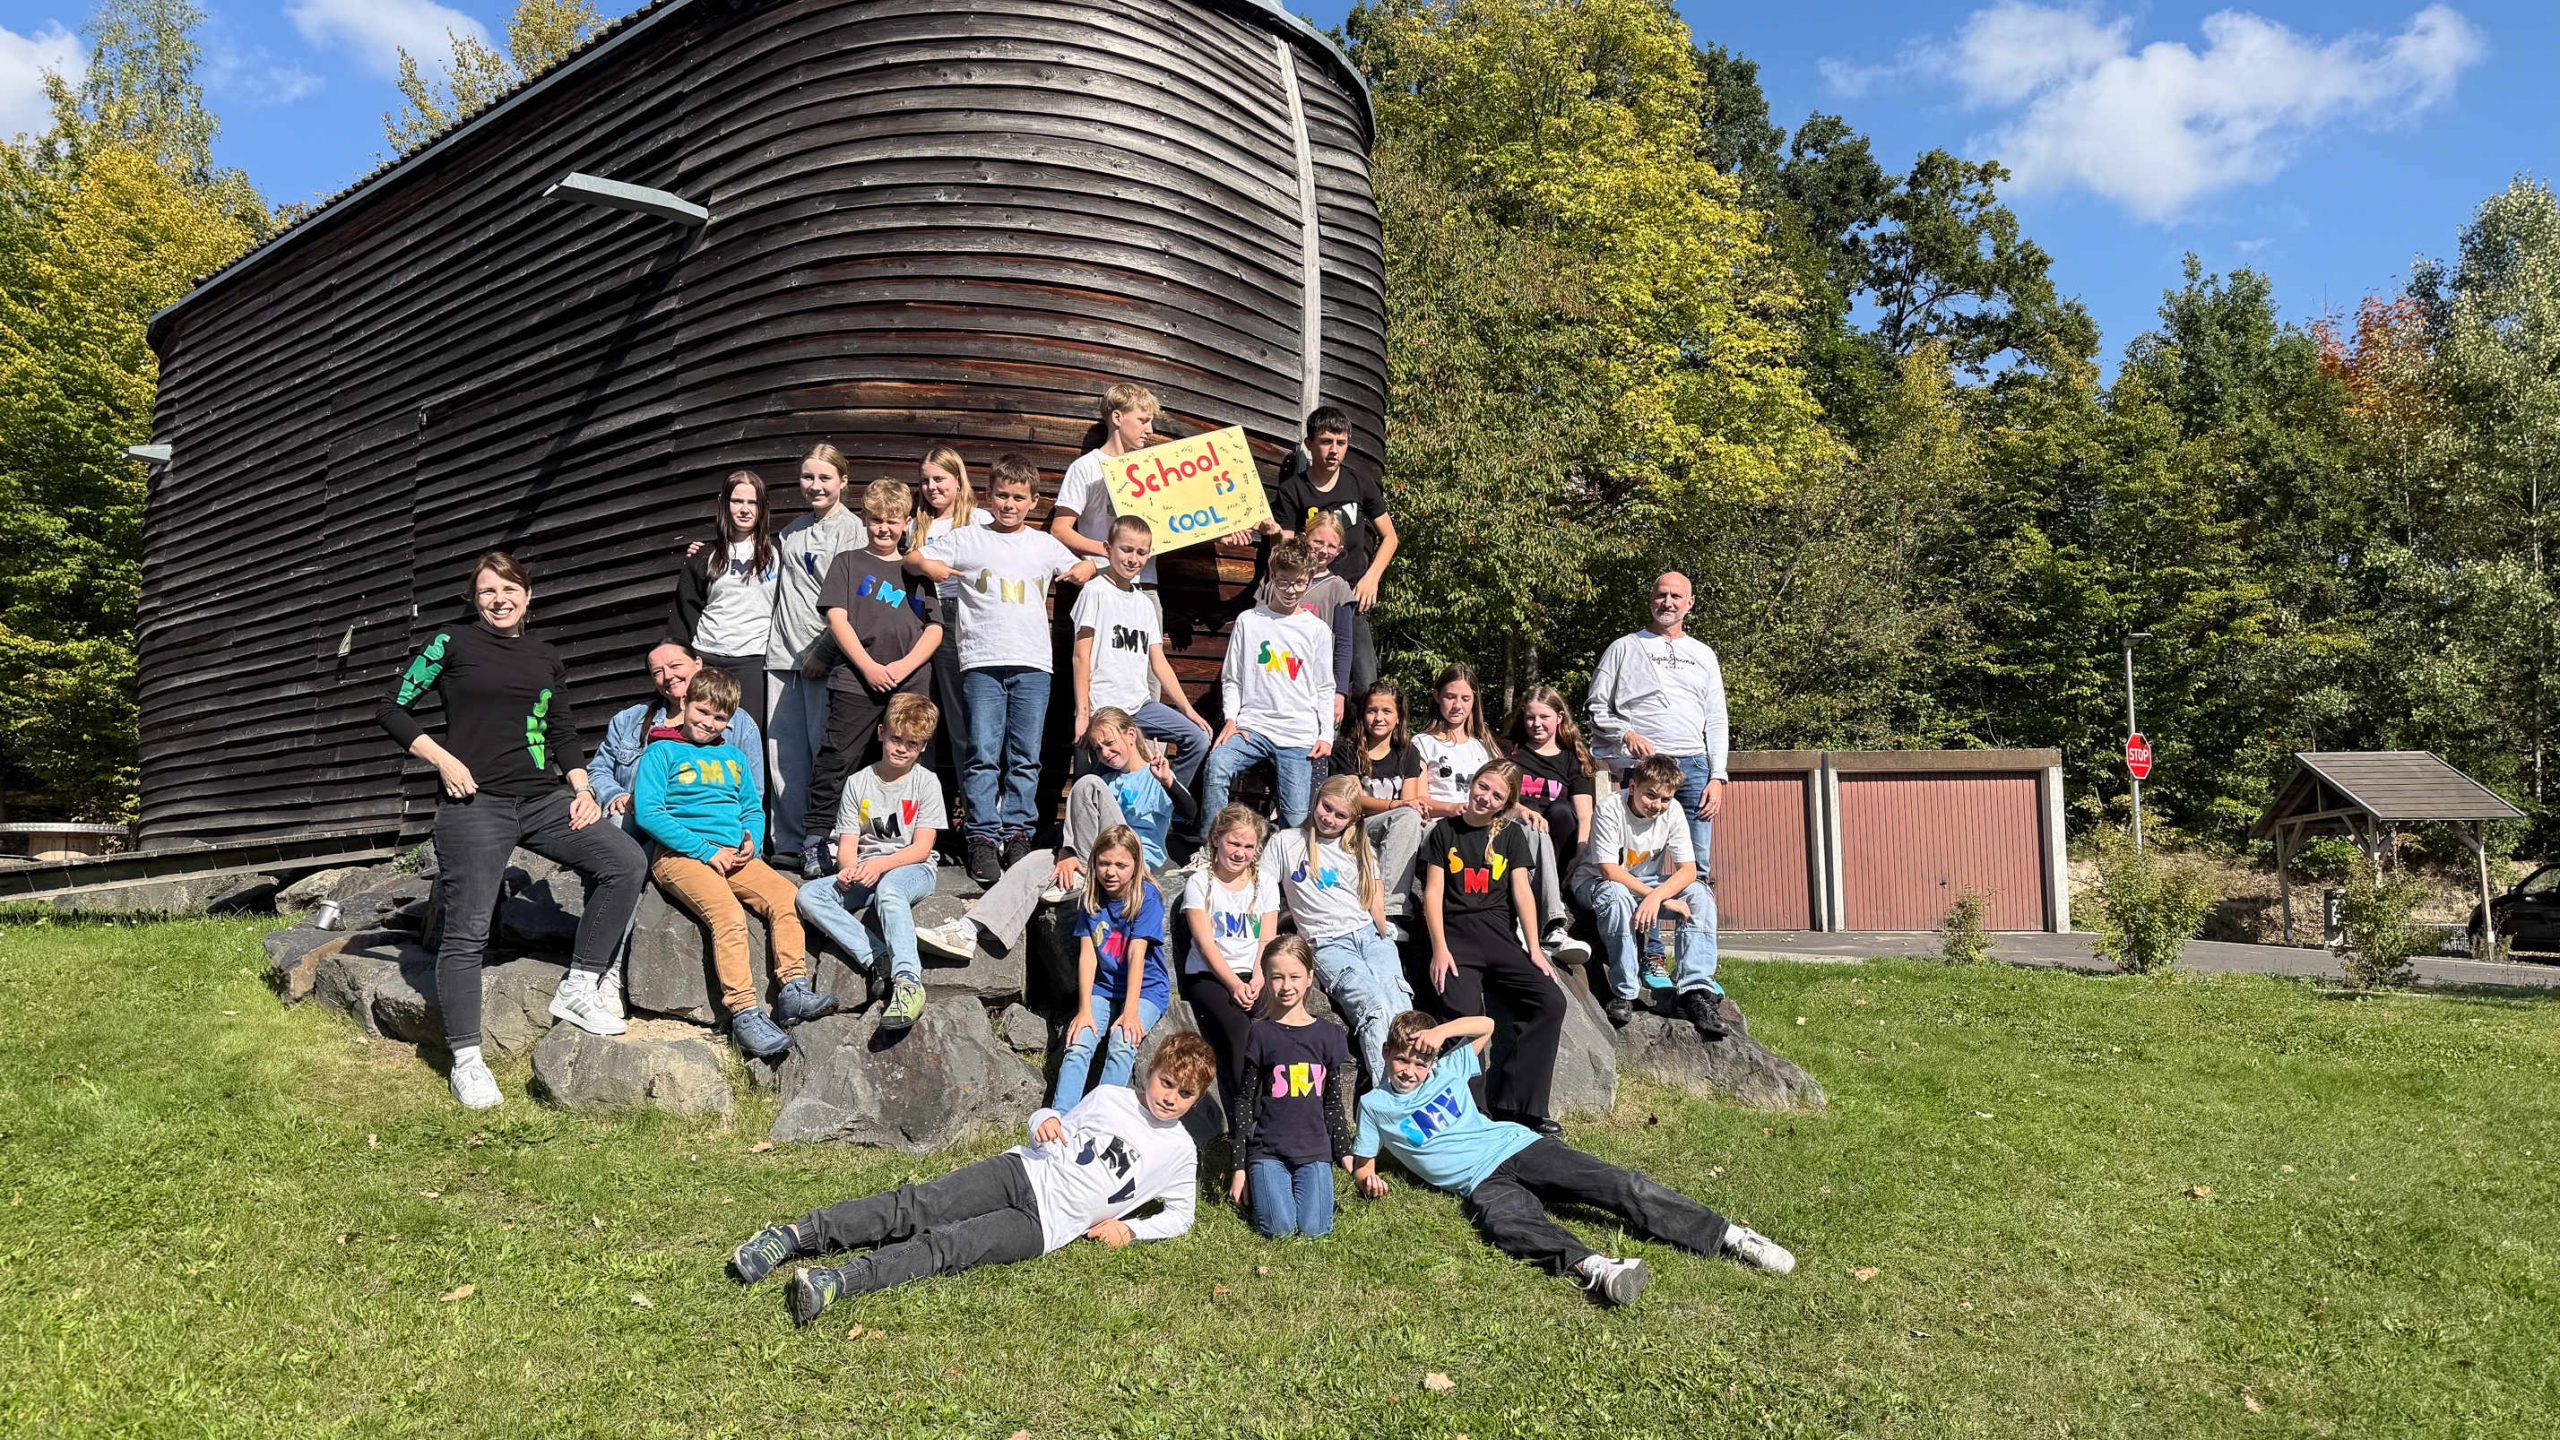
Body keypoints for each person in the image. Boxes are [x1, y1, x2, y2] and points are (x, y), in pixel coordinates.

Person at [378, 552, 646, 1110]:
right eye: (486, 592)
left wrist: (581, 789)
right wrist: (444, 761)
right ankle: (467, 1059)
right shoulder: (450, 644)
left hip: (541, 798)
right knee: (467, 930)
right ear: (474, 601)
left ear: (528, 595)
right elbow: (393, 709)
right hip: (474, 802)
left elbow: (563, 729)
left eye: (509, 589)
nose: (499, 599)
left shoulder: (545, 657)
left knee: (623, 861)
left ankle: (580, 986)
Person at [729, 1032, 1216, 1328]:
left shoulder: (1179, 1154)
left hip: (1045, 1225)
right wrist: (1040, 1121)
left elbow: (1182, 1216)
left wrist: (1131, 1229)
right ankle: (793, 1237)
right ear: (1149, 1072)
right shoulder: (1111, 1097)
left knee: (949, 1248)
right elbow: (1056, 1121)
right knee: (916, 1206)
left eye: (1185, 1092)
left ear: (1198, 1097)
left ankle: (838, 1282)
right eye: (1166, 1082)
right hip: (1021, 1170)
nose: (1171, 1096)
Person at [1352, 1013, 1794, 1306]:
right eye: (1402, 1059)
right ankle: (1598, 1269)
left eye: (1419, 1061)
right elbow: (1364, 1162)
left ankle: (1732, 1237)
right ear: (1387, 1054)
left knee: (1619, 1184)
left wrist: (1443, 1033)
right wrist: (1367, 1181)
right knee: (1506, 1225)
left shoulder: (1448, 1067)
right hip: (1480, 1182)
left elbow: (1486, 1025)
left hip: (1519, 1147)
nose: (1409, 1070)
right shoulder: (1375, 1105)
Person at [905, 455, 1099, 883]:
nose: (1009, 504)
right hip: (981, 662)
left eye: (1018, 497)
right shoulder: (969, 537)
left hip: (1032, 663)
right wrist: (928, 565)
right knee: (982, 755)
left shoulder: (1043, 544)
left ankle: (1017, 833)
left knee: (1025, 756)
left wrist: (1086, 565)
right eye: (1002, 496)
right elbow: (913, 557)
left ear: (1033, 501)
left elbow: (1082, 564)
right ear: (988, 496)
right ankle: (981, 837)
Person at [633, 667, 834, 1059]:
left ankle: (792, 988)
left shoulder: (733, 757)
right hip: (681, 856)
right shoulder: (662, 751)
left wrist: (750, 841)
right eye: (702, 712)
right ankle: (744, 1013)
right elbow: (650, 814)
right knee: (727, 915)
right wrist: (706, 852)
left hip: (735, 856)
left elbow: (751, 808)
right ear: (685, 703)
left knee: (786, 897)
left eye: (720, 718)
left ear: (731, 719)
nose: (708, 723)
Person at [914, 708, 1189, 963]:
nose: (1105, 752)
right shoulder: (1106, 780)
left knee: (1086, 784)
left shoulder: (1155, 776)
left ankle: (1080, 865)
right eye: (1098, 748)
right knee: (1035, 860)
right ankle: (968, 929)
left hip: (1132, 857)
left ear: (1130, 735)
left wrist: (1168, 782)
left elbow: (1189, 812)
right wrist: (1064, 854)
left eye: (1109, 742)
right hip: (1097, 854)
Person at [804, 479, 944, 877]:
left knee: (911, 759)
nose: (884, 529)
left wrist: (902, 668)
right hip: (855, 677)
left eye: (893, 521)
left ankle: (913, 844)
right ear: (865, 519)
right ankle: (817, 840)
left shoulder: (915, 570)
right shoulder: (848, 563)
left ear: (906, 522)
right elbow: (837, 617)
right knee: (838, 757)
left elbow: (935, 629)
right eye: (876, 520)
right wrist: (868, 666)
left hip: (911, 680)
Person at [1585, 571, 1730, 942]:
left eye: (1676, 596)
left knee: (1695, 870)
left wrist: (1718, 775)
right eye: (1661, 594)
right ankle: (1650, 956)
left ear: (1690, 603)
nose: (1668, 602)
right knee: (1636, 868)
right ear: (1651, 599)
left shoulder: (1703, 654)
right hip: (1643, 770)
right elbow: (1596, 707)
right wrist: (1625, 733)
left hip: (1695, 768)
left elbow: (1716, 718)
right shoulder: (1625, 647)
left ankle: (1695, 971)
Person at [1422, 759, 1565, 1133]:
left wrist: (1533, 948)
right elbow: (1433, 894)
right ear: (1473, 784)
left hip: (1500, 939)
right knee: (1465, 1019)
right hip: (1457, 943)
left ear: (1506, 803)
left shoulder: (1511, 835)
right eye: (1482, 787)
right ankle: (1474, 1111)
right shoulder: (1443, 832)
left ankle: (1521, 1105)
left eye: (1496, 795)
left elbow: (1522, 893)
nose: (1485, 797)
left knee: (1551, 1001)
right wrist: (1439, 948)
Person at [795, 693, 947, 1031]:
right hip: (868, 868)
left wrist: (880, 866)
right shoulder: (858, 782)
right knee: (809, 896)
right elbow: (848, 844)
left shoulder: (926, 782)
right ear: (881, 733)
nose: (902, 748)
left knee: (890, 890)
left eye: (913, 743)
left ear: (922, 747)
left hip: (912, 869)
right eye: (896, 738)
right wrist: (848, 868)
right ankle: (877, 956)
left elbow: (922, 848)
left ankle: (908, 980)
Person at [1417, 666, 1586, 964]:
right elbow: (1416, 800)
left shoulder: (1483, 747)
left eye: (1465, 698)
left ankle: (1552, 925)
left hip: (1486, 822)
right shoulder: (1422, 742)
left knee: (1535, 829)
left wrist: (1522, 810)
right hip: (1447, 826)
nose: (1458, 705)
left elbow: (1501, 792)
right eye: (1450, 697)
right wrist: (1453, 809)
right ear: (1437, 697)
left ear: (1474, 701)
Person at [1263, 775, 1410, 1083]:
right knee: (1373, 1005)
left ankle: (1416, 1094)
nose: (1328, 818)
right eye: (1325, 807)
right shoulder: (1286, 842)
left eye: (1339, 814)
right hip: (1328, 943)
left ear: (1352, 819)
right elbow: (1263, 895)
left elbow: (1373, 894)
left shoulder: (1358, 846)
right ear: (1316, 800)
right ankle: (1387, 1098)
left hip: (1369, 936)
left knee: (1401, 1008)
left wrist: (1383, 929)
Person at [1573, 754, 1731, 1036]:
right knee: (1617, 895)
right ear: (1633, 787)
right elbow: (1609, 870)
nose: (1657, 805)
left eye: (1665, 799)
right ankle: (1625, 991)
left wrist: (1655, 897)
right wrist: (1658, 896)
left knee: (1699, 894)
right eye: (1651, 796)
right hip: (1597, 883)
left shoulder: (1673, 812)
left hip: (1645, 885)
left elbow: (1688, 871)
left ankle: (1695, 990)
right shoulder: (1610, 808)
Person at [766, 444, 864, 870]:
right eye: (808, 477)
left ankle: (821, 842)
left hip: (824, 658)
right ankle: (787, 842)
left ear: (843, 481)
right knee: (783, 757)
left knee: (823, 754)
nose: (816, 485)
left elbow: (852, 599)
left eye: (825, 478)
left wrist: (825, 651)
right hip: (781, 656)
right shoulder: (790, 533)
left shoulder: (853, 530)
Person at [1199, 539, 1335, 838]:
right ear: (1273, 578)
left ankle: (1286, 865)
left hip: (1298, 733)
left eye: (1299, 583)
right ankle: (1209, 848)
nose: (1291, 590)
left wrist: (1326, 734)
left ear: (1309, 580)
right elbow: (1232, 677)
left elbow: (1326, 686)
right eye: (1284, 582)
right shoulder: (1250, 621)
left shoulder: (1318, 630)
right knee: (1218, 764)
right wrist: (1232, 719)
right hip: (1252, 727)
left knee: (1296, 815)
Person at [1071, 515, 1212, 794]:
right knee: (1093, 782)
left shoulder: (1144, 604)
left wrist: (1188, 710)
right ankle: (1082, 834)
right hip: (1104, 706)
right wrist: (1083, 712)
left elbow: (1158, 662)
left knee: (1197, 738)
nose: (1133, 558)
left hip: (1140, 706)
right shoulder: (1095, 592)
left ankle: (1159, 800)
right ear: (1108, 548)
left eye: (1141, 552)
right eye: (1126, 549)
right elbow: (1081, 657)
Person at [1228, 934, 1356, 1240]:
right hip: (1268, 1151)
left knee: (1316, 1230)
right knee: (1280, 1229)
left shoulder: (1329, 1035)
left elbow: (1333, 1103)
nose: (1286, 986)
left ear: (1310, 977)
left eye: (1295, 976)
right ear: (1266, 979)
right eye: (1277, 977)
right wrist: (1239, 1167)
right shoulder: (1260, 1033)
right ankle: (1264, 1184)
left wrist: (1347, 1155)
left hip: (1313, 1151)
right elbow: (1245, 1100)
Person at [1268, 406, 1396, 690]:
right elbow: (1284, 553)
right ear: (1310, 444)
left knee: (1365, 681)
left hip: (1351, 596)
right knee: (1305, 675)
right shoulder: (1293, 490)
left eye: (1341, 443)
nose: (1334, 450)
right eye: (1326, 442)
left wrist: (1371, 578)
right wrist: (1274, 535)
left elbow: (1390, 537)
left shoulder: (1359, 483)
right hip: (1309, 597)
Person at [586, 641, 763, 834]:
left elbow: (753, 792)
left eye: (675, 665)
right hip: (644, 822)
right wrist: (615, 795)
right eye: (657, 672)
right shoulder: (629, 720)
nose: (668, 676)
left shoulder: (739, 723)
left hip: (709, 827)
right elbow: (598, 769)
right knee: (618, 818)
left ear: (698, 664)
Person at [1050, 825, 1170, 1108]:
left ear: (1136, 865)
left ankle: (1102, 1116)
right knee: (1079, 1040)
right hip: (1104, 988)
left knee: (1122, 1040)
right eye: (1104, 863)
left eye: (1120, 864)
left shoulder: (1147, 897)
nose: (1111, 872)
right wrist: (1085, 1010)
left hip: (1146, 990)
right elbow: (1088, 956)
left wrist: (1130, 1013)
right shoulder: (1092, 898)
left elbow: (1136, 956)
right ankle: (1061, 1118)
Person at [908, 446, 989, 826]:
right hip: (920, 617)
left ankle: (974, 819)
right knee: (920, 719)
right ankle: (923, 819)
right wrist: (923, 561)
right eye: (925, 480)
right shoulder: (916, 525)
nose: (931, 487)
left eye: (939, 479)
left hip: (961, 617)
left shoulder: (978, 519)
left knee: (961, 724)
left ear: (958, 480)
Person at [1179, 804, 1279, 1113]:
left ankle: (1280, 1108)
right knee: (1240, 1030)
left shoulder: (1264, 882)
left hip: (1255, 972)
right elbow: (1205, 943)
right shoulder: (1200, 882)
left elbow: (1267, 938)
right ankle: (1247, 1114)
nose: (1240, 852)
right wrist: (1235, 984)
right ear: (1216, 839)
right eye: (1234, 843)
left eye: (1248, 846)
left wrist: (1260, 975)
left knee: (1272, 1028)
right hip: (1211, 974)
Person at [670, 469, 780, 728]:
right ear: (724, 504)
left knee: (747, 734)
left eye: (752, 502)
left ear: (762, 507)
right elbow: (685, 612)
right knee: (701, 733)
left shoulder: (779, 553)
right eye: (737, 501)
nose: (745, 509)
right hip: (707, 657)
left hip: (753, 661)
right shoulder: (703, 554)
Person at [1050, 382, 1163, 586]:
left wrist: (1216, 534)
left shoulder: (1151, 468)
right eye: (1143, 421)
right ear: (1118, 417)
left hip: (1145, 582)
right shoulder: (1085, 468)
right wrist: (1108, 550)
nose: (1150, 430)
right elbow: (1060, 530)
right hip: (1103, 579)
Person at [1335, 680, 1425, 929]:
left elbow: (1411, 801)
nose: (1378, 718)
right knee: (1406, 815)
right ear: (1363, 715)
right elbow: (1354, 801)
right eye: (1372, 711)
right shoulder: (1347, 749)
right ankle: (1389, 908)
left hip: (1395, 825)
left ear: (1398, 717)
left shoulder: (1408, 753)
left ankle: (1389, 906)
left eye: (1387, 711)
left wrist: (1402, 806)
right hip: (1357, 826)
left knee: (1410, 817)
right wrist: (1396, 804)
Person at [1506, 684, 1598, 876]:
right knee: (1528, 807)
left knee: (1561, 810)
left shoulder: (1573, 758)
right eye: (1530, 718)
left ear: (1559, 718)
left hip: (1560, 840)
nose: (1536, 723)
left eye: (1544, 717)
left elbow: (1584, 816)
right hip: (1519, 831)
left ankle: (1558, 885)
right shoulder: (1509, 750)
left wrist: (1580, 857)